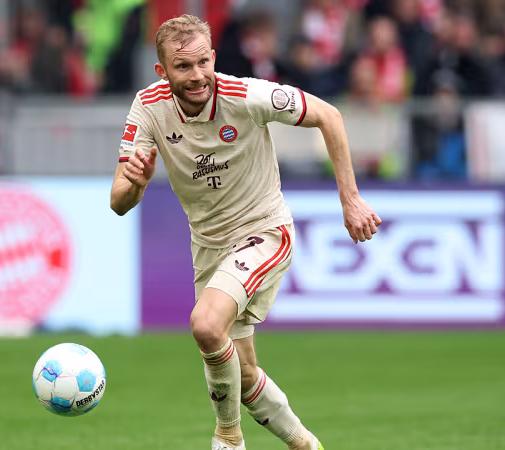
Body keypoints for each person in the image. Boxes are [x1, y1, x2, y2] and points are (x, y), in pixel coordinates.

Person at [109, 14, 381, 450]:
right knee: (244, 372)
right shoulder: (148, 107)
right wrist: (136, 183)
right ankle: (307, 445)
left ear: (214, 57)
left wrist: (350, 200)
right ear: (162, 71)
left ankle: (228, 438)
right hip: (209, 246)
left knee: (205, 325)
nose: (197, 75)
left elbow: (328, 116)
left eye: (203, 62)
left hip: (264, 230)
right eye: (183, 66)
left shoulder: (247, 95)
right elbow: (118, 201)